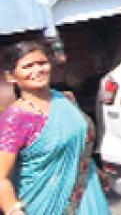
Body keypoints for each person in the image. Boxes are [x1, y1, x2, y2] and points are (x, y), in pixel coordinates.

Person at [0, 39, 109, 215]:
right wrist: (13, 210)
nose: (37, 70)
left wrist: (91, 168)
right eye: (28, 66)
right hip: (44, 203)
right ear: (11, 76)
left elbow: (76, 143)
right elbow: (1, 177)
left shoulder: (66, 99)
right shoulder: (14, 120)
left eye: (42, 63)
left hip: (87, 192)